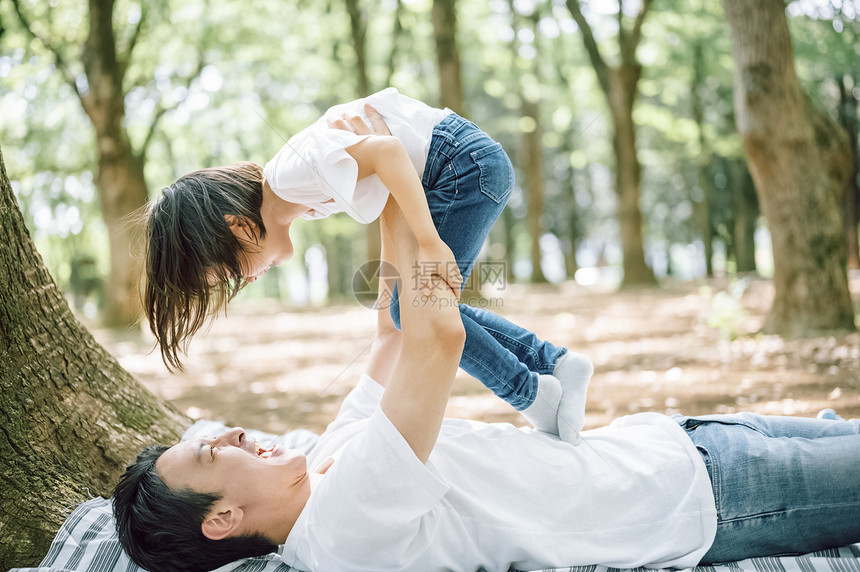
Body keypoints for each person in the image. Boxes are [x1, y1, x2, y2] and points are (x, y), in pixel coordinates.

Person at [114, 197, 860, 572]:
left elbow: (392, 333)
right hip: (720, 500)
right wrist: (413, 207)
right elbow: (437, 337)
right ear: (222, 521)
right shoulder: (342, 530)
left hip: (680, 442)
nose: (236, 431)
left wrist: (376, 187)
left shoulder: (329, 457)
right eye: (216, 452)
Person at [144, 87, 590, 444]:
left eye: (231, 272)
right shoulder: (302, 199)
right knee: (410, 309)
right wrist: (388, 293)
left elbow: (391, 155)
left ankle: (532, 393)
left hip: (461, 167)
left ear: (240, 228)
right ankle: (556, 364)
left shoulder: (289, 177)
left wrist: (430, 243)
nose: (247, 279)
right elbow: (384, 198)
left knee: (422, 313)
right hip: (457, 167)